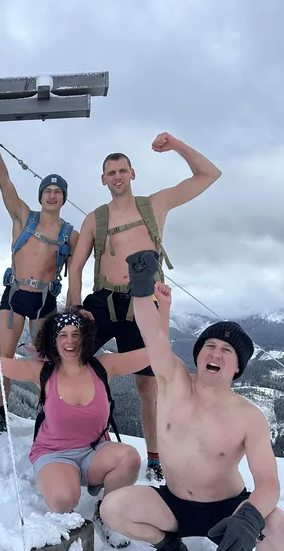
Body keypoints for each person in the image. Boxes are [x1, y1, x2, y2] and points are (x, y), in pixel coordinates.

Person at [100, 250, 284, 551]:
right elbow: (153, 333)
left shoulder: (249, 416)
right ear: (198, 353)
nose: (216, 353)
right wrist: (141, 289)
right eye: (210, 346)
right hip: (174, 503)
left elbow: (269, 483)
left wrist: (250, 516)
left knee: (282, 535)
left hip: (230, 510)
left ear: (237, 367)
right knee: (113, 508)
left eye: (227, 351)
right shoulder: (172, 380)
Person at [0, 284, 172, 548]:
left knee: (129, 458)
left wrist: (163, 309)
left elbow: (153, 351)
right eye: (62, 335)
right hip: (54, 454)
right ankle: (66, 484)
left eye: (75, 334)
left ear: (86, 338)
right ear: (53, 340)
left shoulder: (102, 367)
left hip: (95, 451)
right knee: (63, 500)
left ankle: (107, 511)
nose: (70, 341)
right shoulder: (42, 372)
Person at [67, 135, 222, 484]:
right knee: (70, 361)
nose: (117, 176)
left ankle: (155, 459)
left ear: (133, 174)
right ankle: (67, 440)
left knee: (148, 385)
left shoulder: (155, 205)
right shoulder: (96, 218)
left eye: (122, 170)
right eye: (111, 172)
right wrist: (76, 309)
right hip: (103, 301)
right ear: (102, 179)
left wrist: (177, 146)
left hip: (144, 301)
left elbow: (209, 175)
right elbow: (76, 267)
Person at [0, 107, 80, 436]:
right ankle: (1, 415)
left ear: (63, 198)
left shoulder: (70, 233)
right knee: (4, 357)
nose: (52, 195)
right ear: (41, 196)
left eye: (57, 191)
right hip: (16, 294)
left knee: (47, 360)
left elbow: (89, 257)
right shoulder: (23, 217)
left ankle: (47, 413)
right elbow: (2, 181)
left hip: (46, 299)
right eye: (48, 190)